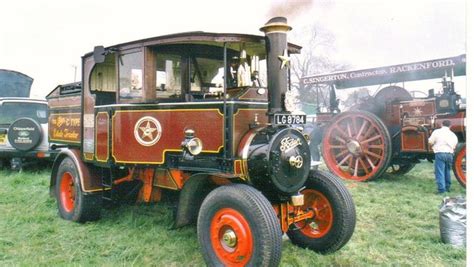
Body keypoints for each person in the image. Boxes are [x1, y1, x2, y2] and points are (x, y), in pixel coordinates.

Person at [428, 120, 458, 194]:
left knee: (439, 172)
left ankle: (441, 190)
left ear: (441, 124)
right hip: (449, 154)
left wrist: (433, 145)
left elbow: (430, 141)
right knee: (447, 171)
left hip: (440, 153)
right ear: (450, 126)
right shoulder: (453, 134)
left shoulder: (437, 132)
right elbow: (455, 144)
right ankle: (447, 187)